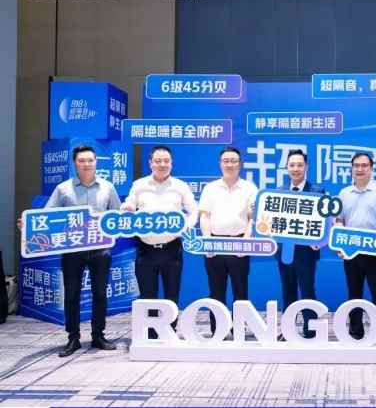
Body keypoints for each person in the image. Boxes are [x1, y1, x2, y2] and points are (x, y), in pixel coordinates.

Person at [38, 146, 121, 356]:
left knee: (100, 293)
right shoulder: (63, 189)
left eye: (90, 160)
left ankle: (98, 335)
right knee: (72, 294)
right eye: (82, 161)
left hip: (100, 249)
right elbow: (47, 217)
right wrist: (28, 225)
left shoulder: (108, 188)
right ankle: (73, 338)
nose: (86, 164)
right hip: (72, 250)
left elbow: (117, 217)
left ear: (96, 162)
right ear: (75, 163)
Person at [121, 146, 198, 337]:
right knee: (148, 295)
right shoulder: (139, 185)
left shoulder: (180, 186)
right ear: (150, 163)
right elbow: (130, 205)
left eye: (166, 161)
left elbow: (194, 210)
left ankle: (169, 332)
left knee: (172, 293)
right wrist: (127, 208)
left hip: (172, 248)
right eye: (158, 161)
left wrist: (187, 226)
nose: (162, 164)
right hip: (145, 249)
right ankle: (151, 334)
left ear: (171, 163)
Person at [198, 147, 258, 336]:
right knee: (216, 291)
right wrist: (207, 241)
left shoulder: (250, 188)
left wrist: (246, 242)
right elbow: (204, 216)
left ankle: (239, 330)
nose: (230, 164)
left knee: (241, 291)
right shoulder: (210, 188)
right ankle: (218, 331)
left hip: (239, 244)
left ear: (240, 164)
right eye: (226, 161)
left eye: (234, 161)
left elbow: (253, 218)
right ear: (220, 164)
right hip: (215, 244)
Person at [336, 152, 376, 343]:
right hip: (351, 251)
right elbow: (339, 221)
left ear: (371, 168)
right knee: (354, 294)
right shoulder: (344, 193)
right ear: (351, 168)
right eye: (356, 165)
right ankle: (356, 331)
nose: (360, 169)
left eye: (364, 165)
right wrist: (340, 245)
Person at [275, 149, 323, 340]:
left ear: (306, 167)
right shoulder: (278, 192)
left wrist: (319, 241)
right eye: (292, 165)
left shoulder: (317, 191)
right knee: (287, 290)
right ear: (287, 167)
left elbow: (325, 222)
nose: (296, 168)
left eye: (299, 165)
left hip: (306, 252)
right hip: (284, 251)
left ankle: (311, 330)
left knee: (307, 289)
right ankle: (287, 330)